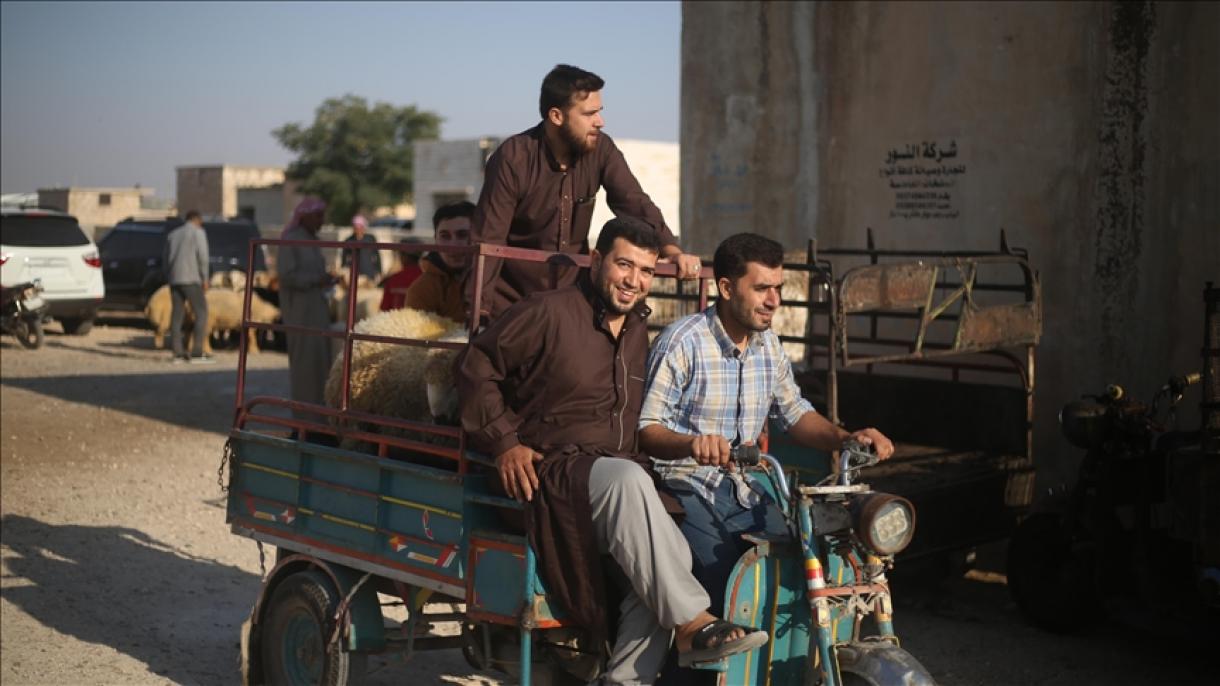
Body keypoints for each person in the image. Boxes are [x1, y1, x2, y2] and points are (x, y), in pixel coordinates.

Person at [455, 217, 768, 684]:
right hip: (552, 479)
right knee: (630, 487)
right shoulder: (548, 311)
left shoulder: (640, 331)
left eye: (645, 271)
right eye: (625, 265)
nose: (634, 281)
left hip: (615, 487)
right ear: (598, 260)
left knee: (670, 561)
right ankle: (691, 624)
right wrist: (505, 444)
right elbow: (474, 366)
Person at [638, 233, 896, 684]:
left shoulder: (767, 344)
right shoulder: (683, 342)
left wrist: (846, 436)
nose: (773, 300)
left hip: (749, 488)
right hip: (683, 488)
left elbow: (794, 413)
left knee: (798, 568)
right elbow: (647, 428)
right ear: (725, 287)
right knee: (722, 582)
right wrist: (690, 443)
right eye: (762, 288)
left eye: (777, 288)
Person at [469, 63, 703, 321]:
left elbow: (634, 203)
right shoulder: (513, 157)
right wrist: (478, 314)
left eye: (599, 112)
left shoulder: (602, 149)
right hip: (514, 303)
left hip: (574, 298)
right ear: (556, 116)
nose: (600, 122)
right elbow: (488, 240)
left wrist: (673, 251)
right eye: (589, 114)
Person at [276, 197, 338, 423]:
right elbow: (287, 276)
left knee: (321, 364)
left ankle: (320, 418)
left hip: (317, 311)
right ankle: (304, 419)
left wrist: (326, 281)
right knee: (305, 365)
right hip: (301, 314)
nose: (322, 221)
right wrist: (316, 279)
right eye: (318, 216)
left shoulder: (312, 241)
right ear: (306, 216)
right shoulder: (291, 241)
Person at [403, 200, 473, 322]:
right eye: (445, 236)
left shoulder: (501, 281)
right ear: (435, 239)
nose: (453, 245)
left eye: (462, 235)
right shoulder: (422, 289)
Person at [162, 210, 213, 363]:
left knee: (177, 316)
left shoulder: (173, 235)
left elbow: (165, 259)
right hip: (192, 279)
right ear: (197, 219)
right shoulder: (198, 233)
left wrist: (169, 277)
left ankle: (177, 353)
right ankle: (197, 352)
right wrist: (205, 278)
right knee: (201, 313)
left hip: (175, 280)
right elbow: (203, 257)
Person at [377, 242, 423, 312]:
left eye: (400, 254)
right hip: (423, 322)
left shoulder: (393, 280)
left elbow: (384, 309)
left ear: (404, 256)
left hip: (396, 321)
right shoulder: (428, 280)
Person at [341, 214, 380, 284]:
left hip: (369, 272)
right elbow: (344, 258)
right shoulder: (349, 240)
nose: (358, 230)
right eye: (356, 227)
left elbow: (377, 255)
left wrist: (379, 270)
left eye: (360, 227)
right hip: (354, 273)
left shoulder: (370, 239)